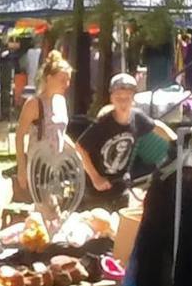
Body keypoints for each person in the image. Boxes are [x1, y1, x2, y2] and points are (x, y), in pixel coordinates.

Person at [73, 73, 177, 209]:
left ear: (133, 98)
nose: (123, 102)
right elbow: (80, 148)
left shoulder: (137, 117)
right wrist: (95, 178)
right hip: (97, 192)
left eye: (127, 98)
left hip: (120, 188)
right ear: (111, 99)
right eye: (118, 98)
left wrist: (177, 140)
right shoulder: (103, 124)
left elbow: (155, 126)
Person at [13, 51, 72, 201]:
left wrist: (77, 156)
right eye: (62, 80)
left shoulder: (61, 102)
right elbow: (20, 135)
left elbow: (60, 133)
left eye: (68, 80)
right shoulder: (34, 104)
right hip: (38, 167)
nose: (67, 84)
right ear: (49, 78)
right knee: (43, 209)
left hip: (58, 166)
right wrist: (21, 167)